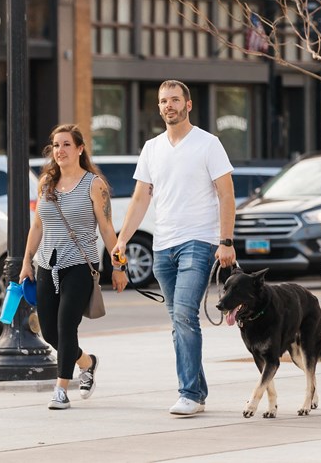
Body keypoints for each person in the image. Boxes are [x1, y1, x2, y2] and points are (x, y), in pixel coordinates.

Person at [112, 80, 236, 417]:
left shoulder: (208, 144)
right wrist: (122, 239)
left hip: (199, 241)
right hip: (162, 246)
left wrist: (226, 241)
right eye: (164, 101)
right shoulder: (152, 147)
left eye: (175, 100)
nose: (169, 106)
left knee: (184, 315)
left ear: (188, 105)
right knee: (178, 320)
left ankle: (190, 394)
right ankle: (199, 389)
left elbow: (226, 194)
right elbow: (141, 197)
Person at [20, 124, 127, 410]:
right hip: (46, 264)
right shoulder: (45, 183)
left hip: (80, 265)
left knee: (67, 326)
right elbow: (38, 225)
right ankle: (87, 362)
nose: (60, 150)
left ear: (80, 148)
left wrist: (118, 267)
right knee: (50, 333)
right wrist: (26, 262)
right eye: (56, 145)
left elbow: (107, 229)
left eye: (66, 144)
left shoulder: (94, 184)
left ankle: (61, 389)